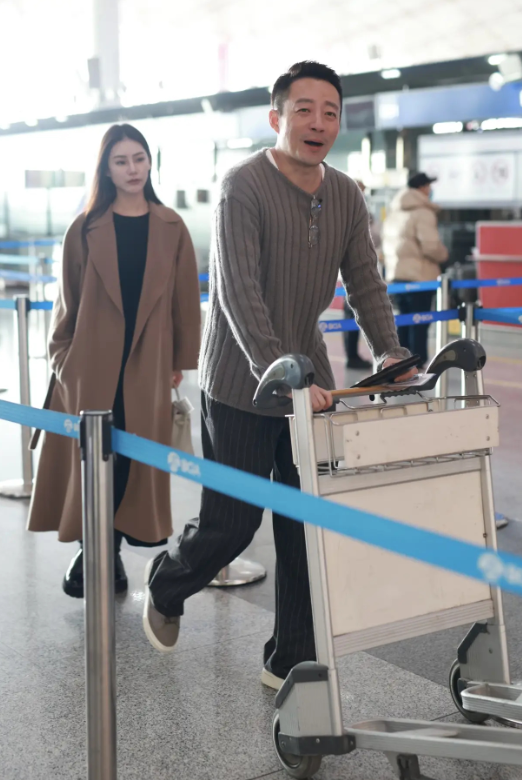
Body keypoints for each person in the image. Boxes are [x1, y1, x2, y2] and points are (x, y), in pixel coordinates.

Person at [143, 61, 414, 689]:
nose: (318, 123)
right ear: (277, 117)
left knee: (304, 527)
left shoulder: (345, 194)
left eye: (330, 112)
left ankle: (289, 657)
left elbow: (364, 279)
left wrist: (389, 352)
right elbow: (239, 292)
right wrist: (276, 368)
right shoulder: (242, 186)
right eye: (304, 110)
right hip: (240, 381)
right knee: (231, 524)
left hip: (311, 386)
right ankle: (168, 582)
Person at [27, 124, 201, 598]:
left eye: (139, 158)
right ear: (106, 169)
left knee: (130, 460)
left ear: (150, 163)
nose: (132, 169)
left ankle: (111, 548)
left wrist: (179, 360)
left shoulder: (171, 226)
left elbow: (185, 301)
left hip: (148, 366)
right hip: (90, 366)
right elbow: (66, 304)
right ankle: (95, 549)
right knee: (92, 459)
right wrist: (64, 361)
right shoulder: (84, 228)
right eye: (121, 161)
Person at [382, 172, 448, 368]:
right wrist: (445, 255)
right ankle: (417, 364)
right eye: (428, 186)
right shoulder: (423, 213)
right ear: (422, 188)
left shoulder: (394, 212)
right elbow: (431, 246)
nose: (430, 190)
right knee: (420, 323)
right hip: (420, 277)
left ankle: (402, 362)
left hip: (397, 277)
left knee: (403, 322)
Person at [342, 180, 372, 370]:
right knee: (351, 314)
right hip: (349, 272)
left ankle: (353, 354)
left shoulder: (363, 212)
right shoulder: (344, 212)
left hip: (362, 268)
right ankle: (351, 355)